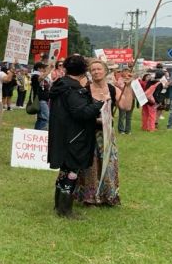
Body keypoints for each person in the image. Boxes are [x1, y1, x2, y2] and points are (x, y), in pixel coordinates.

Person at [47, 55, 104, 218]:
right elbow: (81, 113)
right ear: (83, 71)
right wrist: (99, 104)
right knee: (71, 173)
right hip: (74, 138)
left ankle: (59, 205)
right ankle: (65, 210)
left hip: (63, 136)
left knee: (65, 171)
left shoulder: (61, 85)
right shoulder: (73, 89)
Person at [74, 60, 120, 206]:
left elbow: (125, 105)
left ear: (105, 71)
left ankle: (108, 196)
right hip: (90, 132)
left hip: (107, 133)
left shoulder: (112, 89)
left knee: (109, 164)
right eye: (93, 70)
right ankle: (90, 197)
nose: (96, 72)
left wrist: (128, 86)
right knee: (90, 165)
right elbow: (80, 112)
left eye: (99, 69)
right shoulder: (85, 89)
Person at [31, 62, 51, 130]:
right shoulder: (35, 76)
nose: (45, 69)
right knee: (45, 118)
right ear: (39, 68)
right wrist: (48, 71)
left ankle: (36, 133)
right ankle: (41, 133)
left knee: (41, 118)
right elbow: (40, 79)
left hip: (44, 99)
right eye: (43, 68)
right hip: (40, 100)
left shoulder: (42, 76)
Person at [114, 69, 135, 134]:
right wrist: (129, 81)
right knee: (122, 116)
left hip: (131, 99)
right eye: (125, 71)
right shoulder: (120, 80)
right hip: (123, 99)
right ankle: (121, 130)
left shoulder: (133, 80)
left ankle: (128, 130)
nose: (126, 73)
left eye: (128, 72)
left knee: (129, 116)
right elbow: (123, 87)